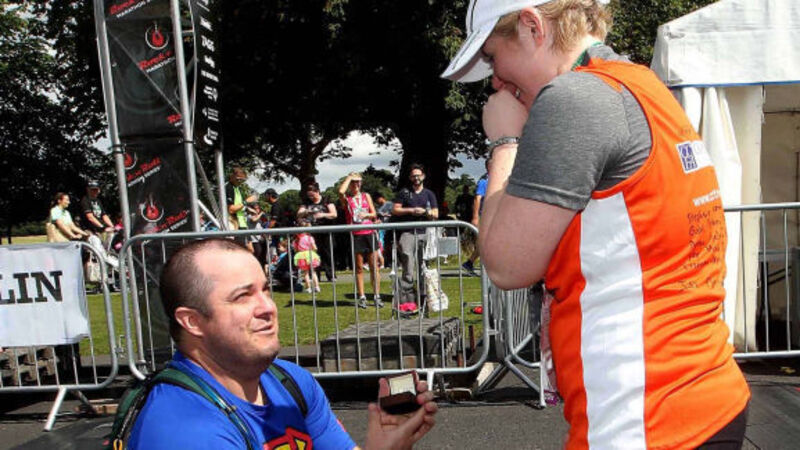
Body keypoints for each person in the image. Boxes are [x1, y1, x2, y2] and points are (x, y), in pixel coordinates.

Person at [442, 1, 750, 448]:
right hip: (698, 392)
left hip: (644, 417)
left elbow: (506, 264)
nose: (495, 81)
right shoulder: (639, 84)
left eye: (492, 57)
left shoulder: (575, 99)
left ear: (531, 27)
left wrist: (505, 141)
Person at [127, 239, 437, 448]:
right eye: (242, 296)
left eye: (265, 290)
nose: (267, 307)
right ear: (192, 321)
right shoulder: (186, 431)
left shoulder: (291, 382)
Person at [391, 164, 438, 309]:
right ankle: (407, 299)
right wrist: (411, 210)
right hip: (407, 233)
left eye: (418, 175)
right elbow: (395, 209)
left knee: (424, 266)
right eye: (413, 176)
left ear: (423, 176)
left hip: (424, 233)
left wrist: (425, 212)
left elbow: (436, 213)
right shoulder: (404, 193)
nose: (416, 178)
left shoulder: (429, 194)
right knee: (408, 266)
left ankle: (424, 296)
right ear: (410, 177)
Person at [338, 172, 382, 309]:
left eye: (358, 182)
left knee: (374, 267)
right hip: (356, 234)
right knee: (359, 268)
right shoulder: (347, 199)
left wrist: (366, 215)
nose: (355, 184)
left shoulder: (365, 196)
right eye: (353, 182)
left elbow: (374, 213)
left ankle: (376, 296)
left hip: (369, 232)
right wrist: (349, 177)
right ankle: (362, 296)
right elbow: (340, 192)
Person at [297, 183, 338, 281]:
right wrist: (306, 211)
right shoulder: (306, 202)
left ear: (318, 191)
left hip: (326, 231)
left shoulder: (326, 200)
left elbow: (334, 214)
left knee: (328, 254)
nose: (311, 197)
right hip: (312, 232)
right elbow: (299, 213)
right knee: (314, 254)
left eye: (312, 195)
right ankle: (315, 276)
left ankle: (331, 275)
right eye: (309, 195)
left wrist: (323, 215)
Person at [462, 167, 489, 276]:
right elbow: (477, 199)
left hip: (493, 215)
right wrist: (475, 217)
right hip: (485, 216)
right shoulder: (484, 181)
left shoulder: (497, 180)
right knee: (484, 242)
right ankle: (470, 263)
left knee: (485, 242)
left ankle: (469, 263)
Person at [225, 167, 258, 233]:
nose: (240, 182)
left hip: (241, 223)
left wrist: (248, 209)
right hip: (234, 224)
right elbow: (231, 210)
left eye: (243, 180)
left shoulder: (237, 188)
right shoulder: (228, 188)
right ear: (232, 176)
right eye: (238, 179)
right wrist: (246, 201)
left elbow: (239, 205)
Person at [293, 219, 321, 293]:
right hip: (310, 255)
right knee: (313, 272)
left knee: (305, 273)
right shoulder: (309, 238)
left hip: (301, 256)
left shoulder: (297, 239)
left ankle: (308, 288)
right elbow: (315, 247)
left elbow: (295, 249)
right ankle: (317, 287)